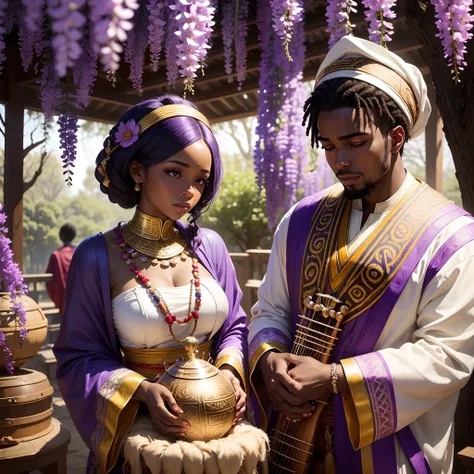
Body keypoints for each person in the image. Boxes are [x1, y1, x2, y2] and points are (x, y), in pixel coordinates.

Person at [248, 35, 474, 474]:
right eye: (329, 145)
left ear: (395, 137)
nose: (339, 160)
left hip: (389, 455)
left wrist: (334, 378)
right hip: (291, 444)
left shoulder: (452, 237)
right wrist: (270, 358)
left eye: (354, 142)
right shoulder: (300, 220)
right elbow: (270, 309)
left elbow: (447, 356)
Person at [54, 95, 248, 474]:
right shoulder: (96, 255)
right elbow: (78, 357)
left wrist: (229, 371)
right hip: (141, 437)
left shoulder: (210, 246)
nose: (189, 191)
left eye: (199, 180)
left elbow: (235, 327)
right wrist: (140, 390)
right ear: (139, 171)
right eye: (174, 172)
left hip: (219, 434)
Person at [45, 223, 76, 316]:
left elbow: (49, 282)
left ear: (60, 236)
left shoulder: (56, 255)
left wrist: (57, 298)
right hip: (82, 297)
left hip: (64, 298)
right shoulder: (79, 251)